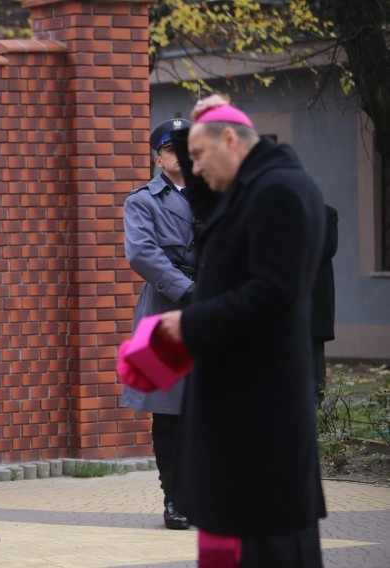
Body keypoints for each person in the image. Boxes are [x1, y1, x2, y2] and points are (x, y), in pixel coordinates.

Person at [157, 95, 328, 567]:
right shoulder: (255, 186)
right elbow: (210, 202)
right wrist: (193, 127)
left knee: (273, 549)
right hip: (244, 411)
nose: (193, 169)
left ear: (230, 140)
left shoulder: (279, 192)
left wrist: (188, 323)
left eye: (197, 156)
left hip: (265, 415)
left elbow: (275, 292)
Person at [121, 117, 195, 530]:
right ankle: (176, 499)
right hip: (165, 311)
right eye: (173, 148)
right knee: (169, 415)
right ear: (159, 157)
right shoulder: (142, 201)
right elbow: (142, 253)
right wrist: (187, 289)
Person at [312, 205, 338, 407]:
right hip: (289, 296)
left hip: (316, 293)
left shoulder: (327, 213)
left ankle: (316, 399)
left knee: (314, 347)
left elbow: (328, 247)